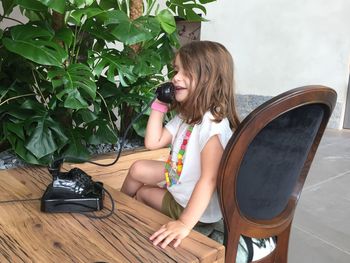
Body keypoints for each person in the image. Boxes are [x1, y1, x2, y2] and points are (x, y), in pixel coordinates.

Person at [121, 40, 240, 249]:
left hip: (192, 207)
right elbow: (153, 142)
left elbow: (210, 179)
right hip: (179, 180)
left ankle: (132, 230)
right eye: (176, 70)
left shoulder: (213, 124)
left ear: (211, 79)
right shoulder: (188, 116)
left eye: (186, 72)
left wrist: (184, 224)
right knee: (137, 168)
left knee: (142, 194)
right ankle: (120, 202)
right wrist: (160, 103)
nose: (175, 77)